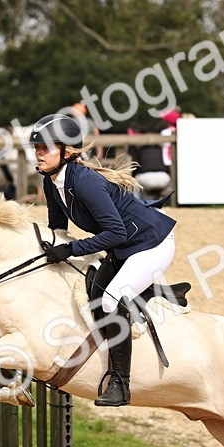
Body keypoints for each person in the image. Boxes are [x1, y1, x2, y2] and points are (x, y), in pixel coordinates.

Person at [30, 112, 177, 407]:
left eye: (45, 148)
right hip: (124, 246)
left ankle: (121, 385)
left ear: (66, 151)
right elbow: (57, 230)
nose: (39, 154)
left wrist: (70, 250)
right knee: (93, 293)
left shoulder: (85, 182)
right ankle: (149, 290)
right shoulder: (51, 182)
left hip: (151, 244)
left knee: (111, 300)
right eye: (37, 148)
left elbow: (115, 232)